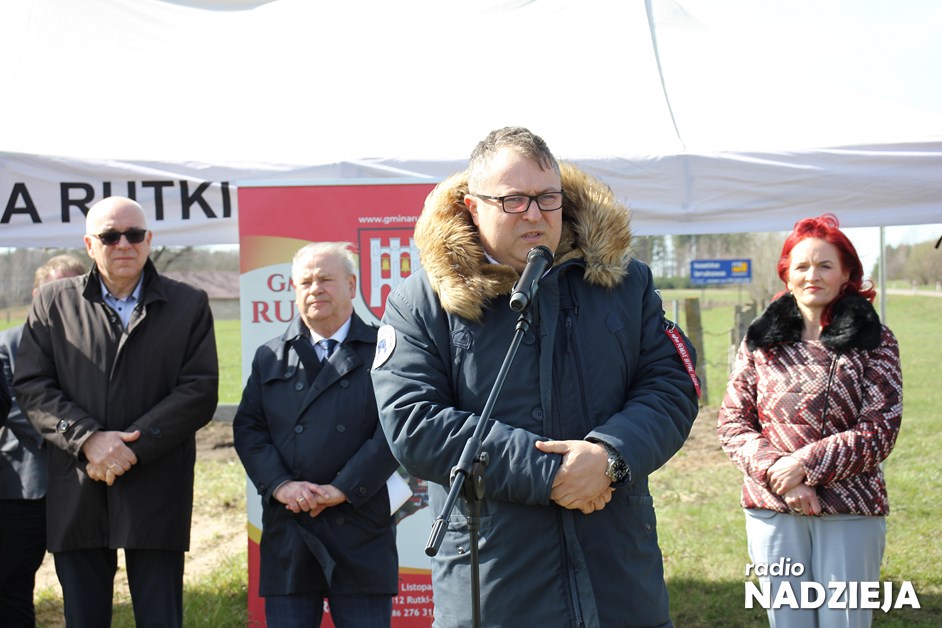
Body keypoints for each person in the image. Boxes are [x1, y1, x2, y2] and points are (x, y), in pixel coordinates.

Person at [370, 126, 700, 627]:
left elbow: (671, 386)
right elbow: (414, 423)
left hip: (618, 582)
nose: (534, 213)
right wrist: (551, 473)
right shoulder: (422, 302)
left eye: (547, 197)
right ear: (472, 206)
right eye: (513, 200)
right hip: (494, 586)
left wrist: (610, 455)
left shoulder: (623, 282)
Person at [13, 196, 219, 628]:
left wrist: (131, 448)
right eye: (110, 236)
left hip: (157, 482)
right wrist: (87, 439)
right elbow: (33, 386)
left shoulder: (189, 304)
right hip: (78, 482)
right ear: (90, 245)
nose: (123, 244)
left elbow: (199, 390)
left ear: (149, 240)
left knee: (160, 617)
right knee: (84, 617)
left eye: (134, 234)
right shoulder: (52, 303)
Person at [717, 214, 902, 628]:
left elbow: (880, 430)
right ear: (787, 274)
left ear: (846, 274)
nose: (812, 275)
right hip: (772, 507)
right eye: (801, 266)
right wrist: (781, 475)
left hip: (850, 509)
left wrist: (803, 465)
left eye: (824, 265)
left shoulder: (875, 340)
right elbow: (732, 422)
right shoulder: (759, 341)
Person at [233, 242, 399, 628]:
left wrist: (344, 488)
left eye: (326, 279)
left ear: (351, 285)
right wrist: (281, 485)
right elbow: (249, 429)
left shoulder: (384, 350)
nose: (315, 289)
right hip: (291, 525)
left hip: (359, 525)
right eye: (305, 282)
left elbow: (394, 428)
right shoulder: (270, 356)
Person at [0, 254, 86, 628]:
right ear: (37, 295)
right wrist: (80, 436)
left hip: (84, 485)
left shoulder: (96, 344)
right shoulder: (7, 344)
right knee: (11, 583)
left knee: (84, 587)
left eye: (72, 291)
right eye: (54, 291)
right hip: (23, 488)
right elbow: (18, 408)